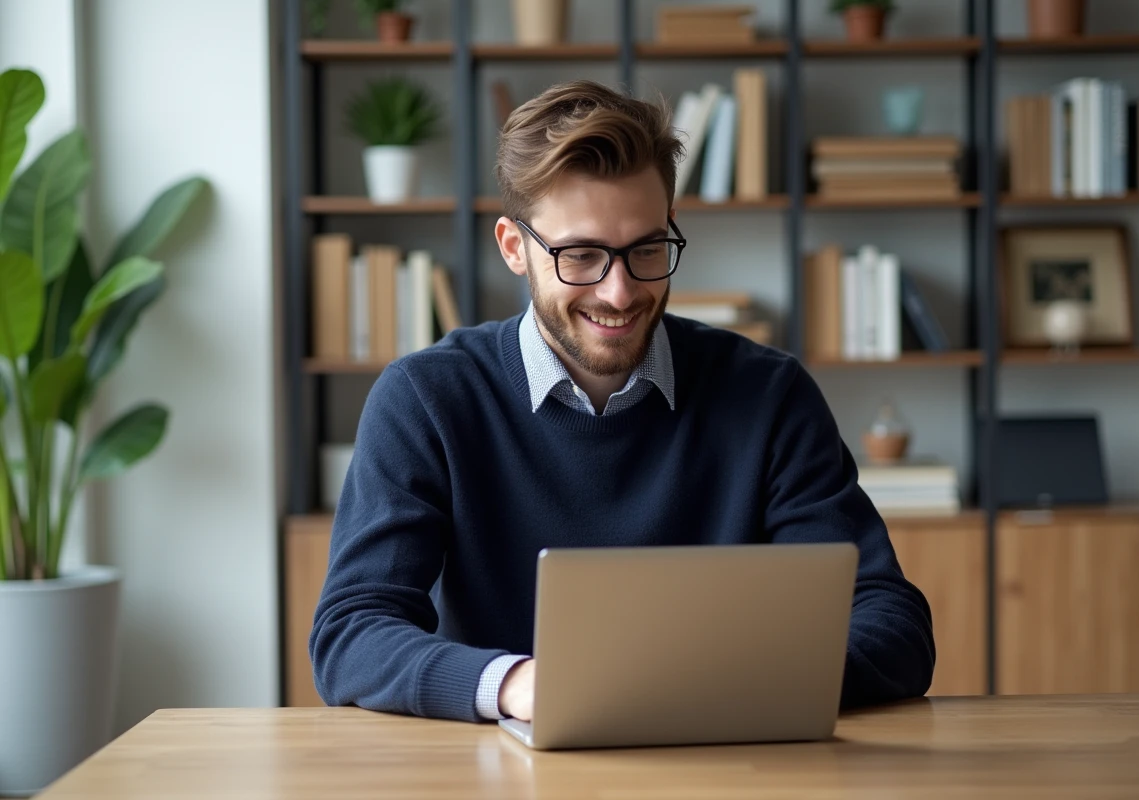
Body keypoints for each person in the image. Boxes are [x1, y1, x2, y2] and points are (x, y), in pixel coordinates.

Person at [309, 80, 934, 724]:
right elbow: (352, 633)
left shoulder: (769, 395)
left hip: (731, 761)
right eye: (581, 255)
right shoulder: (426, 400)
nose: (619, 292)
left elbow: (891, 620)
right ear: (513, 247)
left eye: (646, 250)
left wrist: (739, 685)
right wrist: (519, 686)